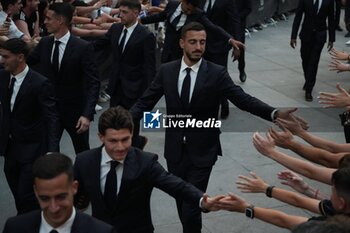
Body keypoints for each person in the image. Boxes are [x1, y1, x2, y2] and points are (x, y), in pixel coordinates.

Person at [130, 22, 305, 233]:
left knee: (191, 205)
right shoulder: (167, 71)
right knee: (181, 199)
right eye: (193, 42)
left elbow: (243, 99)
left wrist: (273, 113)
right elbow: (145, 102)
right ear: (182, 43)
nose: (198, 47)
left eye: (202, 42)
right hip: (175, 150)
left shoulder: (216, 73)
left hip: (203, 151)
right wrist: (122, 122)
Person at [74, 106, 224, 233]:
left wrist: (202, 200)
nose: (120, 147)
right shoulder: (84, 161)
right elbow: (71, 196)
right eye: (113, 141)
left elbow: (176, 185)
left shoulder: (145, 162)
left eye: (125, 139)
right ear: (101, 137)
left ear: (132, 135)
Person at [27, 2, 100, 154]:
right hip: (49, 111)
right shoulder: (45, 43)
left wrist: (87, 114)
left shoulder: (83, 47)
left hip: (75, 113)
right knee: (49, 153)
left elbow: (93, 82)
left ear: (60, 20)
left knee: (82, 153)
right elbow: (26, 63)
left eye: (48, 18)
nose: (44, 22)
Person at [0, 38, 60, 214]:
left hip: (32, 149)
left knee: (26, 194)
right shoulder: (2, 77)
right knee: (17, 194)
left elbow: (51, 118)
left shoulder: (40, 83)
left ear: (20, 57)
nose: (2, 60)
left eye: (5, 56)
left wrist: (52, 151)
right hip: (9, 148)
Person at [93, 0, 156, 149]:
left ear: (135, 13)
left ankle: (134, 151)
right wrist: (76, 47)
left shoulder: (146, 36)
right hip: (116, 86)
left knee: (132, 125)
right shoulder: (115, 29)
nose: (120, 15)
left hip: (135, 88)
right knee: (115, 122)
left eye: (125, 12)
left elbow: (150, 67)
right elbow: (99, 44)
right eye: (120, 11)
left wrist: (148, 94)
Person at [3, 152, 116, 233]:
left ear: (74, 187)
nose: (54, 208)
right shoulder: (14, 228)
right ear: (36, 192)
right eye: (45, 198)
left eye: (61, 197)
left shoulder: (101, 231)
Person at [216, 167, 350, 230]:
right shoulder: (338, 215)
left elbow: (284, 220)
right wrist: (307, 190)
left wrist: (246, 208)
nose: (329, 197)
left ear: (342, 203)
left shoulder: (333, 227)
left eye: (332, 192)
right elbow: (298, 201)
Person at [139, 0, 244, 63]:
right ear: (184, 2)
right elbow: (160, 16)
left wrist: (230, 39)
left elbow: (213, 27)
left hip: (184, 58)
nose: (189, 12)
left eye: (191, 11)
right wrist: (140, 21)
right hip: (167, 54)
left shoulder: (198, 14)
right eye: (187, 9)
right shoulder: (172, 5)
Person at [198, 0, 241, 119]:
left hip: (220, 44)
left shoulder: (227, 2)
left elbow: (235, 21)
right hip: (202, 44)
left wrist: (236, 44)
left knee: (219, 76)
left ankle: (224, 102)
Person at [290, 0, 335, 101]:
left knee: (314, 62)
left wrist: (332, 38)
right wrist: (293, 36)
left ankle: (309, 89)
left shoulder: (329, 1)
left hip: (320, 35)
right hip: (306, 34)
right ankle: (308, 80)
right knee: (305, 59)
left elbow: (331, 19)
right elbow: (298, 17)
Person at [236, 0, 252, 83]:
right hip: (226, 23)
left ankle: (241, 69)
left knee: (240, 48)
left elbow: (248, 9)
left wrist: (237, 16)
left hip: (239, 24)